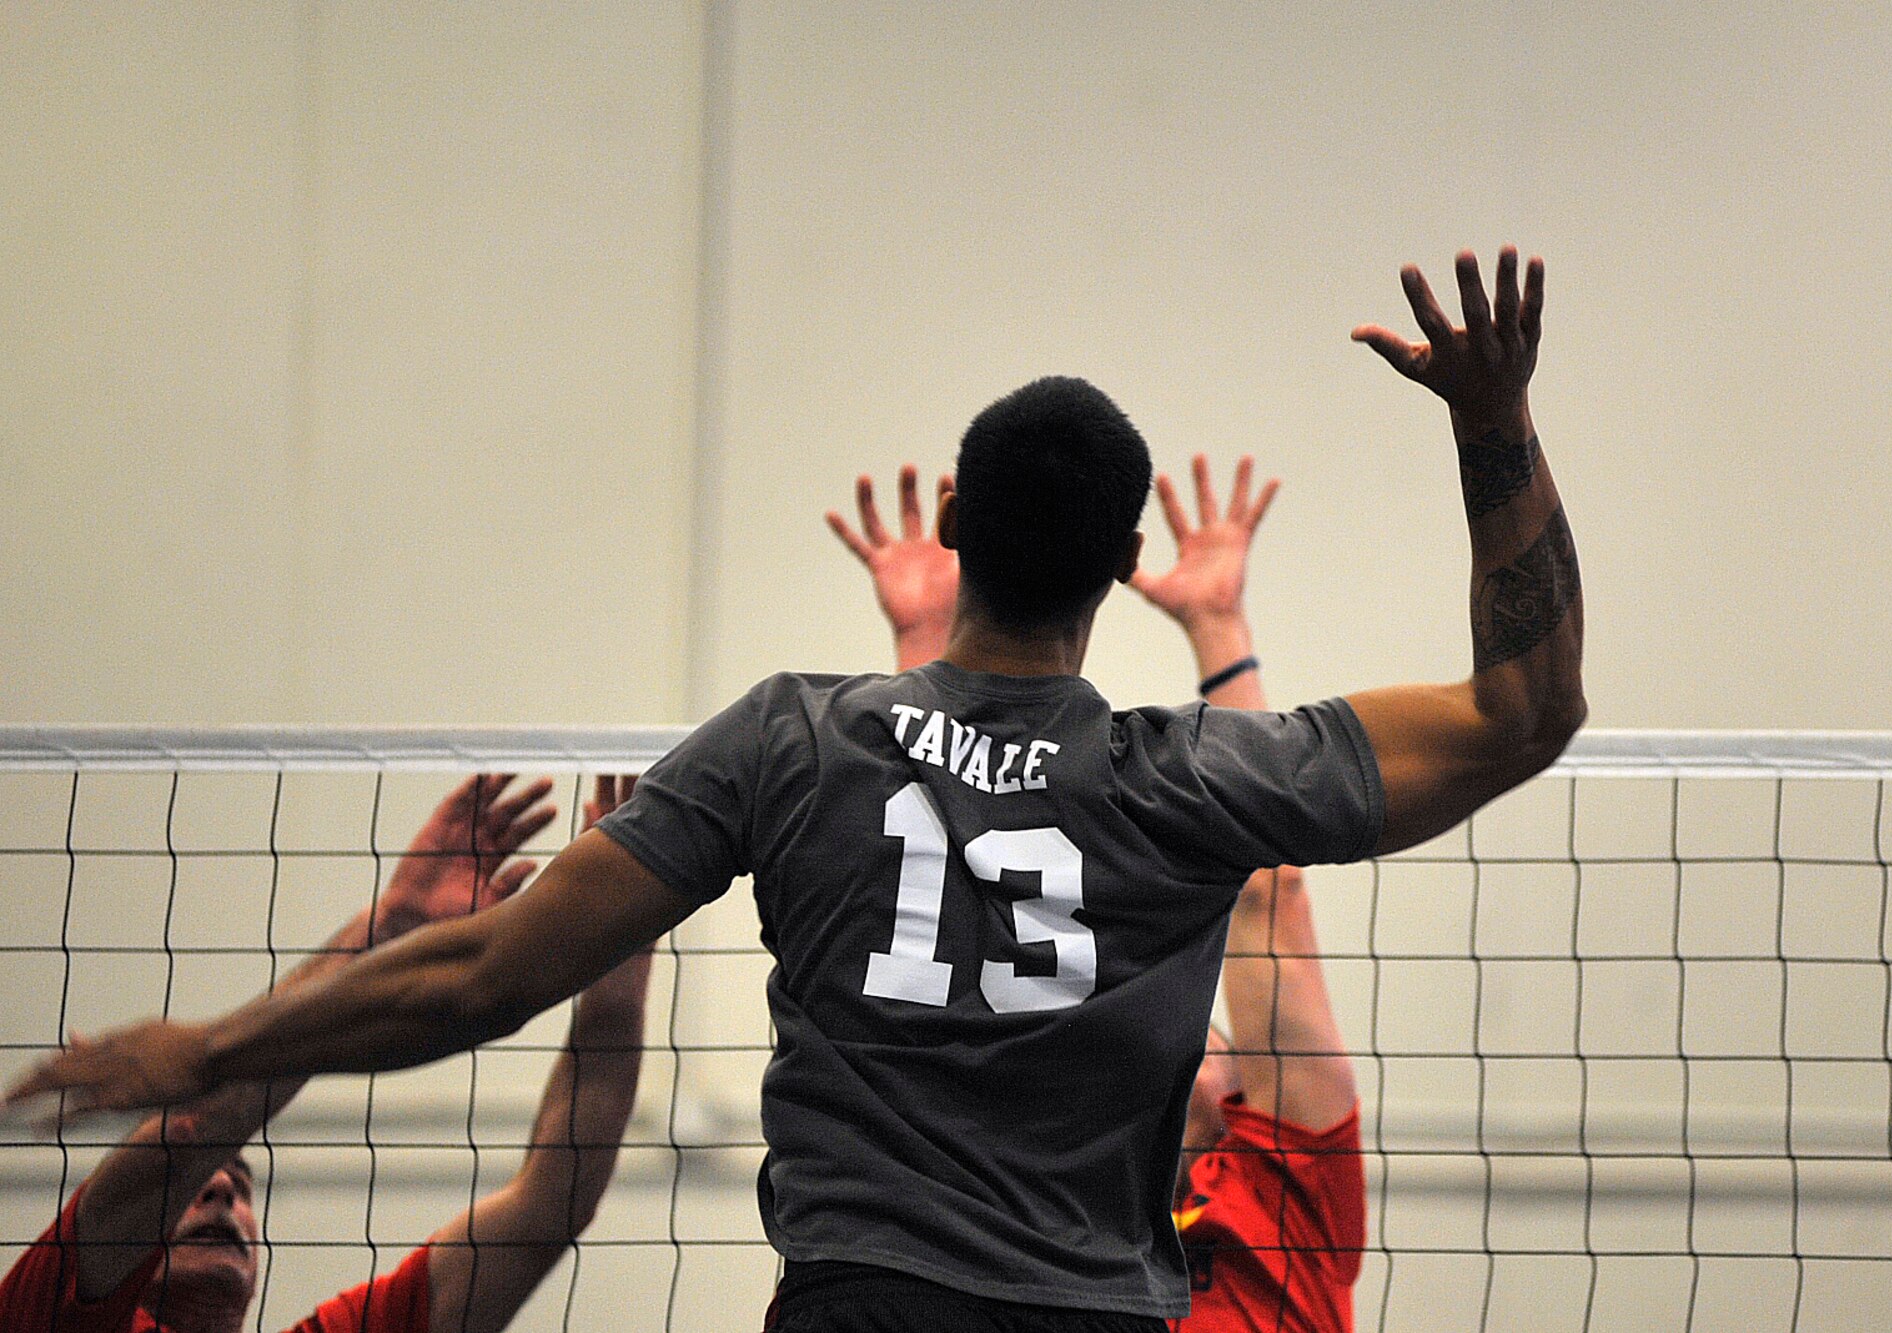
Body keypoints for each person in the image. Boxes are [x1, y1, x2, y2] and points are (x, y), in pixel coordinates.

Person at [9, 248, 1584, 1332]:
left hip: (859, 1303)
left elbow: (483, 975)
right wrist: (1492, 424)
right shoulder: (1194, 780)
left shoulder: (793, 743)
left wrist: (208, 1044)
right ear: (1124, 563)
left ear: (954, 519)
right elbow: (1527, 708)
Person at [830, 456, 1366, 1331]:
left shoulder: (1285, 1184)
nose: (1200, 1034)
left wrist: (1220, 625)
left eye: (1215, 1035)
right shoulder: (1043, 1204)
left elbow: (1272, 892)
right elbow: (956, 886)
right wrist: (940, 644)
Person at [0, 775, 650, 1333]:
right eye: (202, 1179)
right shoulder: (49, 1314)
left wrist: (618, 958)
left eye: (244, 1184)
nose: (223, 1186)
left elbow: (553, 1199)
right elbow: (191, 1134)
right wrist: (379, 931)